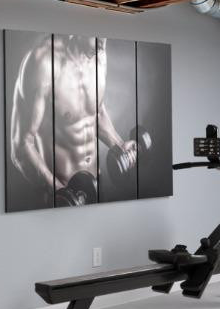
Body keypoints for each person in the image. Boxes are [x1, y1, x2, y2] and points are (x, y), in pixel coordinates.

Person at [8, 34, 134, 207]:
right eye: (97, 36)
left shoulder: (99, 55)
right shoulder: (44, 63)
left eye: (105, 36)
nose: (103, 44)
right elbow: (21, 146)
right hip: (60, 194)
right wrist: (57, 191)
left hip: (95, 187)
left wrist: (119, 145)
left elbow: (95, 113)